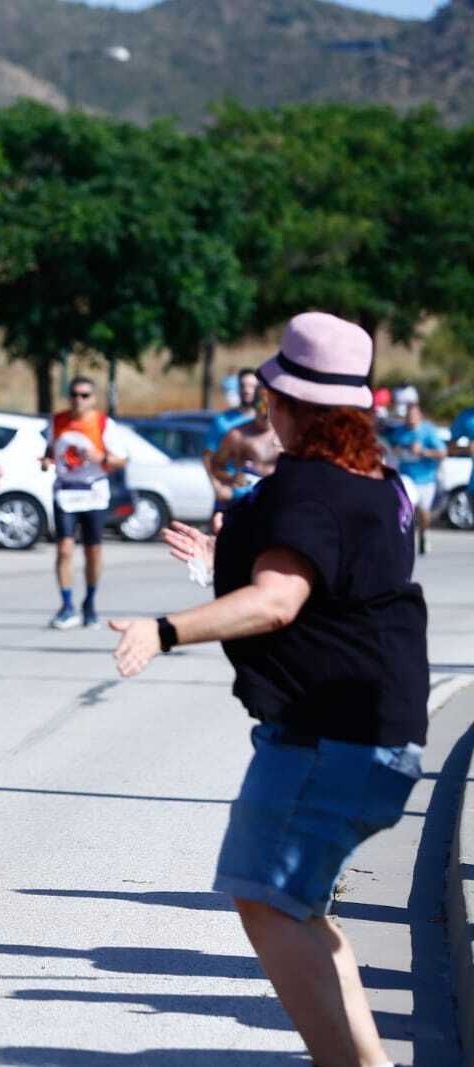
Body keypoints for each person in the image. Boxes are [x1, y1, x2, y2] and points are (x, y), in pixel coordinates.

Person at [110, 312, 426, 1067]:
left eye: (273, 396)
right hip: (374, 733)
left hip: (330, 739)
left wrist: (165, 627)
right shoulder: (381, 485)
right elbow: (324, 581)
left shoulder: (308, 487)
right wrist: (226, 555)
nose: (266, 408)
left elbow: (278, 600)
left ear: (291, 407)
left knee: (266, 897)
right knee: (296, 908)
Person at [41, 376, 127, 629]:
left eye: (85, 395)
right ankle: (67, 605)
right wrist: (47, 462)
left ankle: (89, 602)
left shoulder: (103, 423)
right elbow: (50, 452)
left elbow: (121, 460)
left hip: (93, 493)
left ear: (93, 398)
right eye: (74, 395)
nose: (79, 400)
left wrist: (100, 457)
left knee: (93, 551)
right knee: (64, 549)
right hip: (66, 493)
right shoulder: (57, 421)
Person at [385, 400, 445, 555]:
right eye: (408, 415)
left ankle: (424, 533)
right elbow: (387, 441)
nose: (410, 418)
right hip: (407, 477)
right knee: (407, 505)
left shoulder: (428, 431)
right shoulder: (399, 431)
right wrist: (395, 449)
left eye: (414, 415)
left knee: (424, 513)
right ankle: (405, 538)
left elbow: (443, 453)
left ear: (420, 416)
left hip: (426, 478)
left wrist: (423, 452)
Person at [208, 387, 282, 511]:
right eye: (262, 406)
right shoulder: (238, 435)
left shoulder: (286, 435)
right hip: (246, 504)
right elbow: (215, 465)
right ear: (255, 406)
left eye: (271, 407)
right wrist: (230, 479)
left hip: (276, 503)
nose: (266, 413)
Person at [205, 367, 260, 459]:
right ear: (237, 388)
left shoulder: (267, 423)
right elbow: (208, 457)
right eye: (243, 385)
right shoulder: (221, 420)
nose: (247, 390)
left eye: (252, 386)